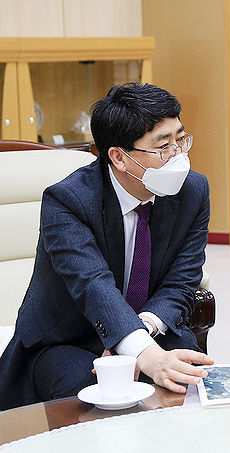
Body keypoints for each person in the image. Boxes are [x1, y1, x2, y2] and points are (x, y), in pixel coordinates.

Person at [0, 83, 214, 410]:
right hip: (69, 337)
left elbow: (182, 281)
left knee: (190, 378)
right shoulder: (68, 201)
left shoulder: (192, 191)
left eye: (180, 140)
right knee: (89, 392)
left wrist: (138, 337)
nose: (178, 156)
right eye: (163, 147)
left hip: (148, 321)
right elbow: (92, 285)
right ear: (119, 157)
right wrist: (143, 354)